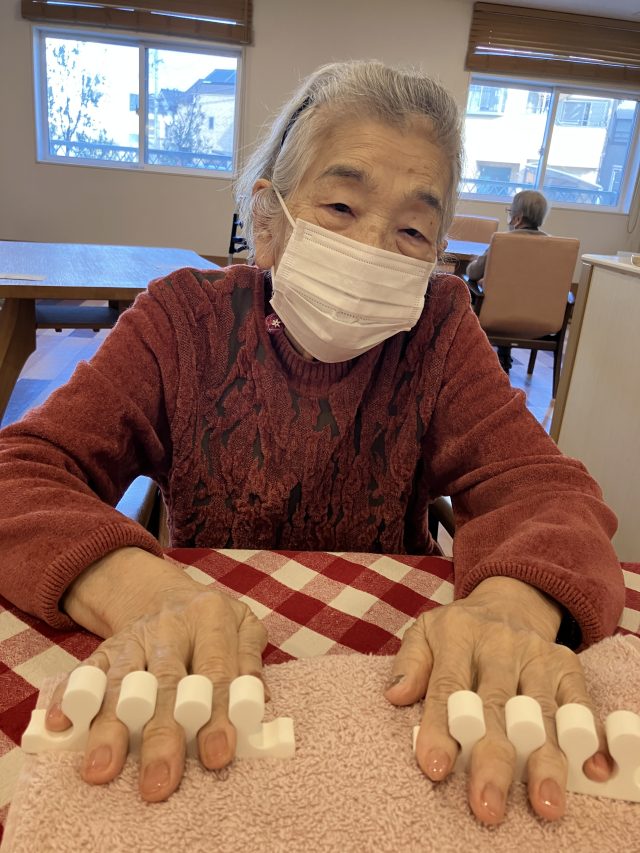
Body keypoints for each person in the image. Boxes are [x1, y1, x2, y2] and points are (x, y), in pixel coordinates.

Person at [0, 61, 624, 827]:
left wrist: (509, 607)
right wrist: (146, 591)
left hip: (389, 685)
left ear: (436, 256)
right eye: (340, 207)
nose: (373, 249)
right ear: (267, 222)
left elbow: (547, 491)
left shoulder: (437, 331)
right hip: (205, 672)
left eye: (412, 231)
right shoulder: (182, 322)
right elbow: (19, 471)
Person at [466, 189, 549, 372]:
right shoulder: (554, 245)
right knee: (517, 298)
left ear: (517, 218)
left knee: (478, 291)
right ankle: (504, 355)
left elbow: (473, 273)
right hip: (539, 319)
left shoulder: (502, 241)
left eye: (510, 212)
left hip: (500, 316)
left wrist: (477, 265)